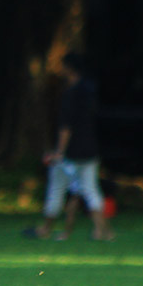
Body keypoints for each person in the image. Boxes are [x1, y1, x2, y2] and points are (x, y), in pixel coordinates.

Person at [25, 52, 115, 241]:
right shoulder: (89, 91)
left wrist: (59, 151)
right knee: (90, 190)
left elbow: (66, 126)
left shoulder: (71, 93)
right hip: (90, 149)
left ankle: (46, 228)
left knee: (57, 188)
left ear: (69, 68)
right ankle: (101, 230)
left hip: (71, 153)